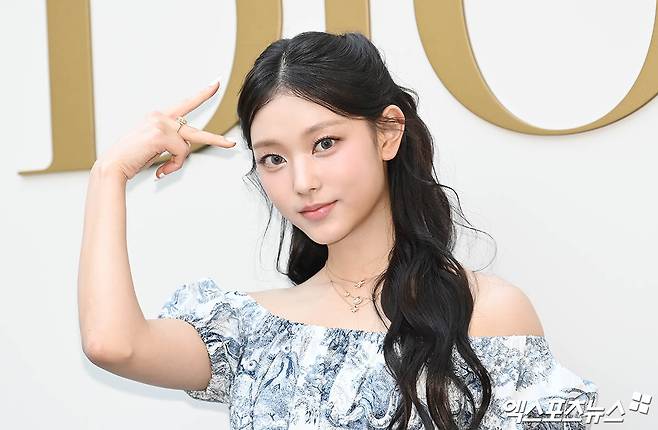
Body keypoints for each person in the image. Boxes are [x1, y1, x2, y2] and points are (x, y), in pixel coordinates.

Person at [78, 31, 599, 429]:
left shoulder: (487, 313)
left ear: (388, 133)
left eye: (324, 144)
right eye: (274, 158)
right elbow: (112, 344)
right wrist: (109, 174)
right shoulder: (252, 331)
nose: (302, 182)